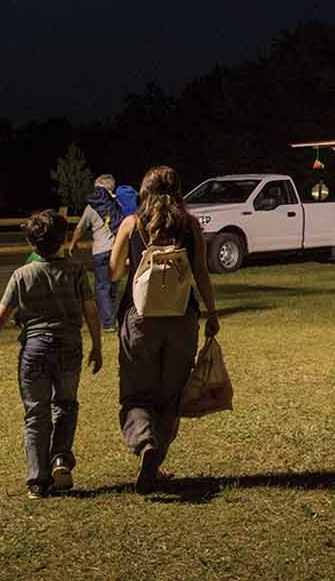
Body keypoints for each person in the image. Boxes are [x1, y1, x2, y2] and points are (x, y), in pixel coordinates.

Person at [0, 209, 103, 498]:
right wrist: (97, 346)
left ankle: (37, 481)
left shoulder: (22, 275)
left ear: (31, 243)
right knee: (66, 405)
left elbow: (0, 316)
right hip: (69, 346)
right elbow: (91, 312)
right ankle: (60, 458)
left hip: (34, 349)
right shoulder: (75, 272)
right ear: (63, 240)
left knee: (36, 413)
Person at [110, 164, 220, 493]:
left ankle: (144, 443)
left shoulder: (132, 224)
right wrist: (212, 312)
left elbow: (114, 272)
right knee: (170, 395)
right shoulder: (190, 225)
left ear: (144, 190)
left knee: (136, 393)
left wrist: (134, 262)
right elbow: (201, 271)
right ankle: (154, 464)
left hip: (139, 318)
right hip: (182, 317)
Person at [68, 173, 123, 330]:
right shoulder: (118, 204)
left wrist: (73, 243)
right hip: (117, 250)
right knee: (113, 286)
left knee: (102, 288)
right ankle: (113, 318)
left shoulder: (91, 207)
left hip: (101, 251)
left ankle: (108, 323)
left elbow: (80, 228)